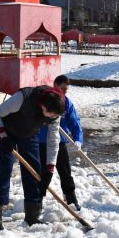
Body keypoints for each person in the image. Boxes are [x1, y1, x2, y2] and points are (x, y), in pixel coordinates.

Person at [0, 86, 65, 230]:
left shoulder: (55, 110)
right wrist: (3, 136)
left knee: (33, 171)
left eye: (53, 116)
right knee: (6, 168)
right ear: (43, 105)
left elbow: (53, 140)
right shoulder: (22, 98)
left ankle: (32, 216)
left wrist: (50, 168)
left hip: (29, 134)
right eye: (49, 114)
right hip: (8, 132)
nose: (50, 117)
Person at [36, 75, 83, 210]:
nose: (63, 92)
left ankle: (71, 198)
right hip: (40, 142)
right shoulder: (45, 100)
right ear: (55, 85)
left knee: (65, 172)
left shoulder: (66, 103)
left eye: (66, 90)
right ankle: (37, 201)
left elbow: (75, 122)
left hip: (59, 143)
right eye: (61, 88)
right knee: (42, 174)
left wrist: (78, 139)